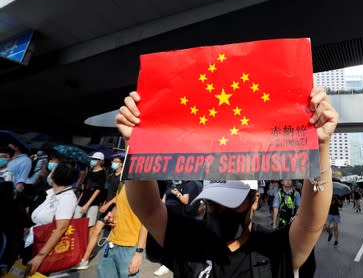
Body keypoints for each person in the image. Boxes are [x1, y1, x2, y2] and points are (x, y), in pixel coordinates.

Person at [115, 87, 338, 278]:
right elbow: (149, 209)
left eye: (231, 202)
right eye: (213, 202)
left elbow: (310, 223)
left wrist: (320, 148)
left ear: (254, 199)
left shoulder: (273, 249)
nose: (221, 210)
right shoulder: (190, 240)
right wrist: (135, 146)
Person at [23, 161, 78, 276]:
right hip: (33, 239)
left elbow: (61, 228)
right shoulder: (52, 192)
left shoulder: (67, 198)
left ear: (53, 176)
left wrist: (40, 256)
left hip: (42, 247)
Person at [73, 155, 125, 270]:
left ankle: (116, 263)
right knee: (96, 231)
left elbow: (119, 196)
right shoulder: (111, 176)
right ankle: (85, 259)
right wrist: (104, 203)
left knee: (111, 235)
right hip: (107, 207)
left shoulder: (123, 178)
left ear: (122, 163)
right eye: (113, 161)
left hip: (116, 209)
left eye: (116, 161)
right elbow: (108, 192)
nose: (113, 163)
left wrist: (107, 205)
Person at [96, 185, 148, 278]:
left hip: (130, 248)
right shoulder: (123, 184)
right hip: (111, 243)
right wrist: (111, 215)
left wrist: (139, 253)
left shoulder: (145, 187)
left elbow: (146, 223)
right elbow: (118, 206)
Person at [75, 152, 107, 229]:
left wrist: (87, 204)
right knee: (75, 222)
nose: (92, 160)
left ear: (100, 161)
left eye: (95, 159)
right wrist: (79, 200)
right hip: (82, 200)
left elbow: (98, 190)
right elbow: (85, 188)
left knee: (89, 225)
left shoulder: (102, 173)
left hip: (93, 203)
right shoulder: (90, 171)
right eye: (92, 159)